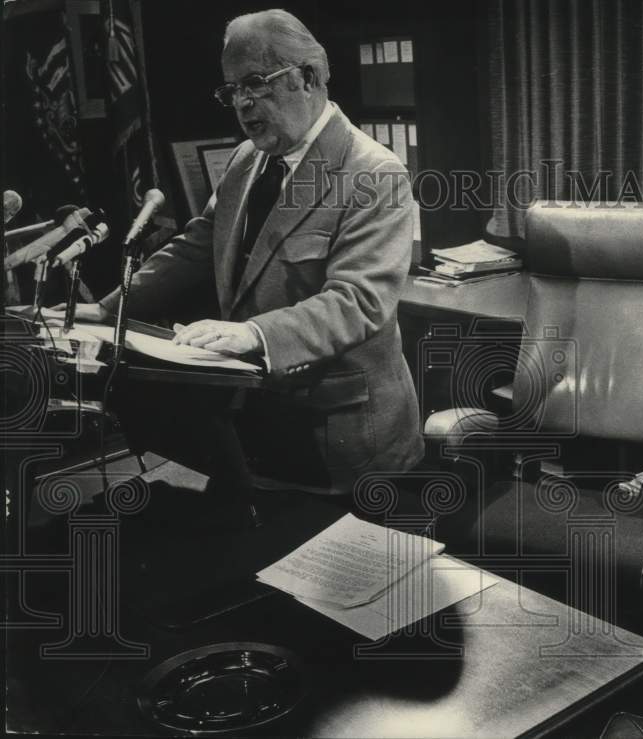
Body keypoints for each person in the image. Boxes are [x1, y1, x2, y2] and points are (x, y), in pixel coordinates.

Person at [74, 9, 423, 494]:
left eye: (255, 83)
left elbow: (359, 301)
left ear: (310, 77)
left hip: (341, 430)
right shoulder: (247, 159)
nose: (241, 103)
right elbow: (196, 247)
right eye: (231, 89)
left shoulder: (374, 173)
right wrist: (106, 309)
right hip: (258, 413)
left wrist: (252, 333)